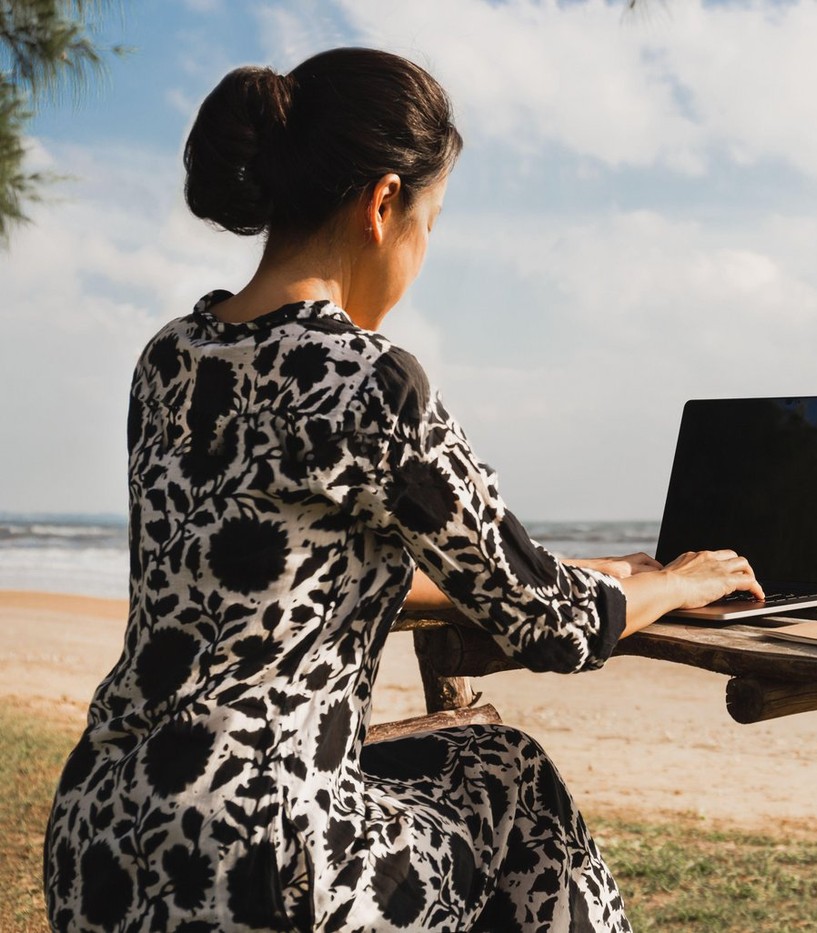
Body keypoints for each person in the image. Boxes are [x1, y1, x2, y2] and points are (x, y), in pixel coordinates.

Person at [44, 47, 762, 931]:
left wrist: (579, 563)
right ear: (383, 205)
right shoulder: (368, 381)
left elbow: (282, 575)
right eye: (432, 222)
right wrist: (676, 582)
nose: (424, 253)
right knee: (508, 776)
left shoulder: (168, 359)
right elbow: (553, 626)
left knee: (470, 755)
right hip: (255, 852)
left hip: (101, 834)